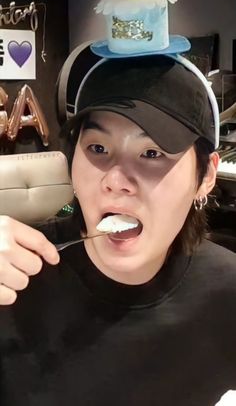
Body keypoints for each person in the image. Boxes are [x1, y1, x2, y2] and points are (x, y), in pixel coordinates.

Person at [0, 54, 236, 406]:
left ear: (205, 176)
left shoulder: (227, 293)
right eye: (98, 148)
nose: (115, 180)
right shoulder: (15, 281)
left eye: (152, 153)